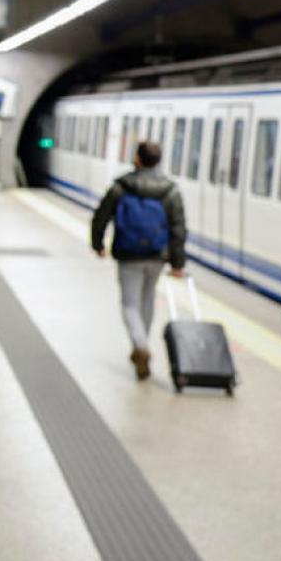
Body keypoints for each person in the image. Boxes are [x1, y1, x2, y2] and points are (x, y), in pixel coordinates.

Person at [92, 140, 187, 381]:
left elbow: (101, 216)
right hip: (156, 255)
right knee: (147, 299)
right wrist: (177, 263)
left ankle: (140, 345)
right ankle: (141, 341)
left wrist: (98, 244)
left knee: (129, 303)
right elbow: (178, 228)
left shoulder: (121, 186)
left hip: (128, 254)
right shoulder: (170, 190)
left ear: (137, 158)